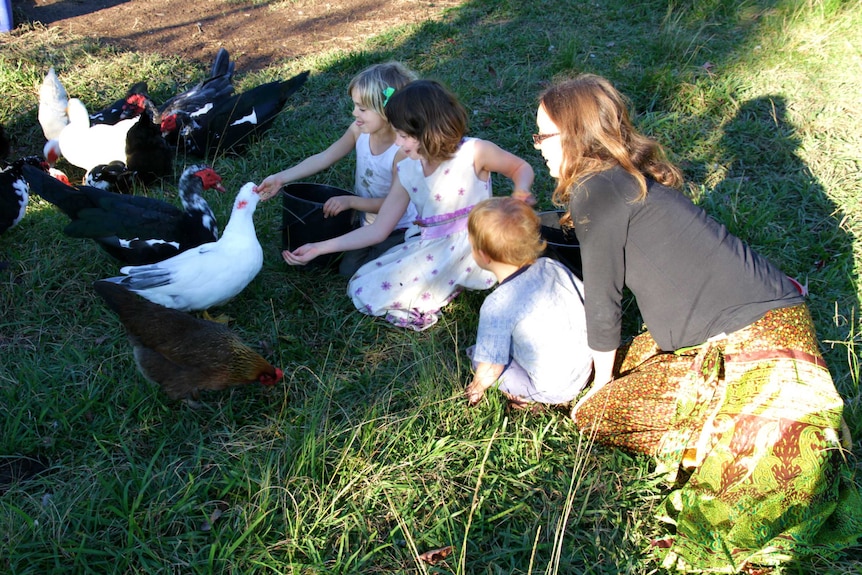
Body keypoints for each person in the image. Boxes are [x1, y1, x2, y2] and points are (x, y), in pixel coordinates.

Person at [535, 74, 862, 572]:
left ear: (575, 136)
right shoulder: (618, 179)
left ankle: (717, 432)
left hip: (757, 346)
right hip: (772, 325)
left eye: (543, 135)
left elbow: (603, 301)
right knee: (633, 366)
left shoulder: (595, 191)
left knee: (595, 411)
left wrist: (601, 386)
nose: (537, 147)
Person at [284, 80, 535, 331]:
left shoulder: (474, 151)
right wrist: (318, 248)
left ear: (431, 129)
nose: (398, 143)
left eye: (403, 136)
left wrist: (520, 191)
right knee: (363, 286)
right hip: (435, 246)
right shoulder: (408, 170)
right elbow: (378, 229)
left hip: (481, 240)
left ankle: (455, 280)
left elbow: (520, 167)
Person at [255, 62, 419, 276]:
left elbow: (394, 206)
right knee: (347, 269)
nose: (354, 113)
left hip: (400, 226)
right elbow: (324, 157)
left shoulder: (401, 153)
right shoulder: (360, 131)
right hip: (367, 221)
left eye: (362, 108)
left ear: (387, 111)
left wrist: (351, 202)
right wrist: (281, 178)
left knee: (362, 272)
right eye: (355, 105)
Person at [464, 197, 592, 409]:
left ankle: (526, 399)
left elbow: (491, 367)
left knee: (479, 357)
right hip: (583, 371)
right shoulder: (551, 265)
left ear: (483, 256)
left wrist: (475, 390)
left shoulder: (498, 304)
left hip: (551, 388)